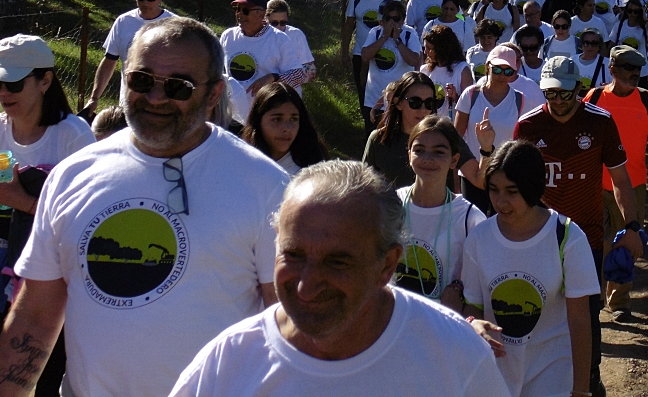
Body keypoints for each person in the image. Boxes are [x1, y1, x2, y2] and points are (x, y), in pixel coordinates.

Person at [0, 17, 288, 397]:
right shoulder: (72, 176)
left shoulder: (265, 187)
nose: (156, 97)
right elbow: (34, 316)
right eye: (142, 81)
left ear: (214, 94)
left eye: (179, 86)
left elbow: (288, 326)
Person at [169, 160, 511, 397]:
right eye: (293, 255)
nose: (306, 285)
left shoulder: (456, 356)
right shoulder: (228, 362)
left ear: (387, 265)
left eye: (337, 262)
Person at [510, 56, 645, 397]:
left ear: (578, 89)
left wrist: (630, 225)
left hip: (585, 237)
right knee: (537, 314)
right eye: (550, 93)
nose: (556, 100)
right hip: (538, 237)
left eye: (564, 93)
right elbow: (513, 184)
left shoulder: (599, 123)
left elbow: (619, 180)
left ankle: (589, 381)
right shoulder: (527, 126)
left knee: (585, 314)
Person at [0, 36, 95, 397]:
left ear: (45, 81)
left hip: (56, 278)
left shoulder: (74, 136)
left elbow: (89, 219)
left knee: (44, 381)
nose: (3, 93)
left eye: (13, 83)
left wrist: (23, 201)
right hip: (2, 266)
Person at [462, 140, 599, 397]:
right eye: (493, 189)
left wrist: (581, 390)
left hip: (552, 374)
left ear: (532, 187)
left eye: (512, 191)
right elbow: (473, 305)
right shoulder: (479, 238)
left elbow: (580, 319)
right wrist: (472, 323)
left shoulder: (567, 236)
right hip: (494, 376)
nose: (501, 201)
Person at [584, 45, 648, 315]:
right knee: (596, 243)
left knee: (628, 243)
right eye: (628, 68)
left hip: (632, 186)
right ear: (612, 70)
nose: (635, 74)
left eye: (638, 69)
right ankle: (593, 299)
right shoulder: (595, 97)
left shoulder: (647, 100)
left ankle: (619, 302)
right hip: (596, 185)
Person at [396, 116, 484, 312]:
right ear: (409, 154)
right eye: (419, 150)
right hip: (396, 323)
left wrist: (458, 292)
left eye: (439, 152)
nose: (428, 159)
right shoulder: (391, 206)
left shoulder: (470, 218)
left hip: (443, 328)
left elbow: (478, 289)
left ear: (454, 160)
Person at [81, 0, 174, 119]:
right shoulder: (123, 22)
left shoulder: (174, 26)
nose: (145, 2)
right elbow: (109, 61)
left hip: (163, 108)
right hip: (129, 107)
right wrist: (94, 98)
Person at [363, 72, 477, 191]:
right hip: (394, 209)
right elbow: (364, 189)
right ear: (398, 103)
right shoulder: (379, 139)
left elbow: (478, 178)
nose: (423, 110)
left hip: (440, 210)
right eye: (415, 102)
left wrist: (486, 149)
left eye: (429, 103)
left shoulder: (446, 135)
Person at [454, 48, 527, 213]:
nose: (502, 75)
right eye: (497, 69)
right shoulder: (470, 95)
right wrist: (456, 181)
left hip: (505, 178)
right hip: (471, 175)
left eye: (508, 71)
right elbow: (455, 139)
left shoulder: (521, 100)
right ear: (487, 67)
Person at [220, 0, 307, 100]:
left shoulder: (280, 39)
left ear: (261, 13)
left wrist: (272, 78)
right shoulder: (228, 36)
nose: (240, 14)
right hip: (232, 113)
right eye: (237, 9)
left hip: (266, 112)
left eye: (245, 10)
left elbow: (299, 75)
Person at [360, 0, 423, 132]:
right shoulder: (376, 32)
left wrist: (397, 40)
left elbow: (413, 59)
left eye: (396, 18)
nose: (392, 22)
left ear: (402, 19)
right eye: (388, 18)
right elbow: (365, 56)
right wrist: (384, 37)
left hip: (399, 101)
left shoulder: (409, 34)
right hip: (374, 98)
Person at [343, 0, 402, 112]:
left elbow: (402, 24)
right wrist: (344, 52)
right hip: (361, 53)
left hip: (387, 52)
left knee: (387, 90)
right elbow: (348, 26)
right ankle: (367, 121)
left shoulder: (393, 0)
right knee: (363, 89)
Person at [242, 83, 329, 176]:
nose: (287, 128)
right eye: (277, 119)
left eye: (294, 119)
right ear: (258, 120)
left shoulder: (312, 174)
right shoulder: (240, 161)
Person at [420, 24, 474, 117]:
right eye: (425, 48)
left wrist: (456, 97)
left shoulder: (462, 70)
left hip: (451, 128)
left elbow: (471, 107)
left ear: (441, 49)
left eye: (429, 49)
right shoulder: (424, 70)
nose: (425, 52)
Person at [264, 0, 317, 93]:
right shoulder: (260, 36)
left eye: (283, 22)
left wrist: (278, 80)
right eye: (274, 23)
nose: (279, 27)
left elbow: (309, 70)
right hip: (263, 93)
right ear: (265, 18)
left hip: (290, 93)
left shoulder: (296, 35)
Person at [612, 0, 648, 84]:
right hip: (622, 69)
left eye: (636, 11)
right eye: (630, 11)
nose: (632, 14)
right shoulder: (619, 25)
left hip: (640, 70)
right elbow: (611, 46)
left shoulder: (645, 26)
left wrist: (646, 19)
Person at [572, 27, 609, 97]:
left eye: (594, 43)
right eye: (586, 43)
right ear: (581, 44)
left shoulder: (607, 64)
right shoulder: (571, 62)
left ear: (599, 46)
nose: (590, 46)